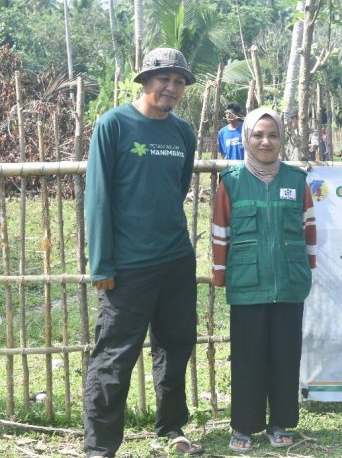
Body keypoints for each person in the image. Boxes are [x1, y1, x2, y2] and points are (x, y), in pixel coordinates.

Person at [83, 47, 202, 457]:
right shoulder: (114, 124)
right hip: (129, 266)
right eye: (164, 78)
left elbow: (178, 189)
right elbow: (97, 196)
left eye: (180, 81)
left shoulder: (182, 132)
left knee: (177, 344)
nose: (172, 87)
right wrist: (101, 262)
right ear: (145, 81)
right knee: (114, 356)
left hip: (175, 259)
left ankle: (172, 428)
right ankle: (100, 446)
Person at [211, 107, 317, 453]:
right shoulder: (232, 182)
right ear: (246, 139)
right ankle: (244, 426)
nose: (265, 141)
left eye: (272, 135)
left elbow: (309, 230)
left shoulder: (296, 181)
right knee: (248, 358)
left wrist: (307, 269)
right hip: (246, 284)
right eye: (258, 134)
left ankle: (280, 423)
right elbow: (220, 231)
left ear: (281, 138)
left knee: (285, 355)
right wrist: (220, 273)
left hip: (289, 283)